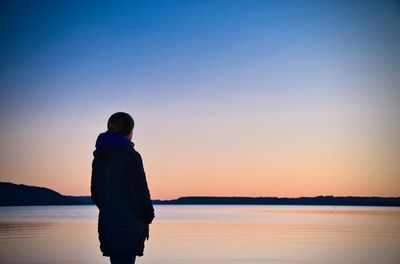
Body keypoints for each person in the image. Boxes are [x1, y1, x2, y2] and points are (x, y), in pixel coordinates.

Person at [91, 112, 155, 264]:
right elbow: (140, 192)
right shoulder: (129, 155)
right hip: (129, 226)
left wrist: (111, 209)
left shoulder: (100, 157)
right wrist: (148, 216)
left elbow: (96, 194)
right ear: (129, 132)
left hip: (109, 224)